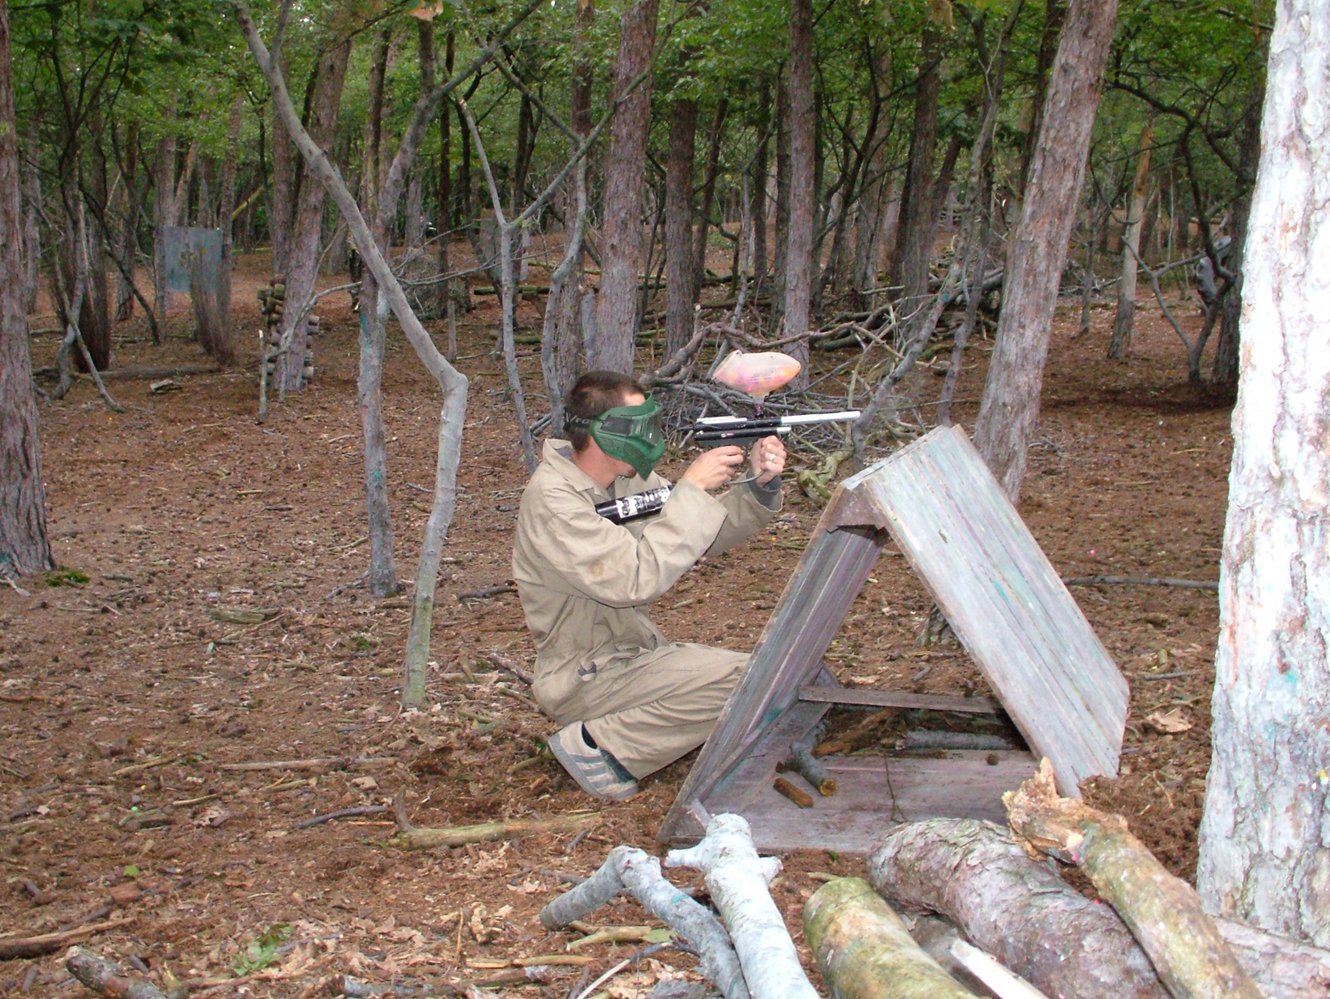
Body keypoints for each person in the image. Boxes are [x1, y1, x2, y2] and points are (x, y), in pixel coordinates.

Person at [511, 370, 787, 800]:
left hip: (633, 658)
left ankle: (625, 731)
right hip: (584, 677)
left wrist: (758, 488)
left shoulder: (626, 480)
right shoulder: (554, 500)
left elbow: (698, 534)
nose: (651, 435)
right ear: (608, 433)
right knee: (746, 681)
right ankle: (600, 746)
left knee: (762, 671)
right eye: (641, 425)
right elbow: (635, 579)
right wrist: (691, 489)